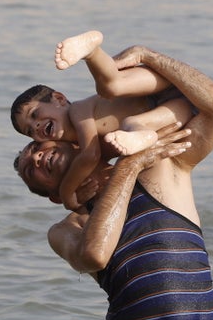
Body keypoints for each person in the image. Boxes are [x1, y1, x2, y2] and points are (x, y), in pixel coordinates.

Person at [14, 45, 213, 320]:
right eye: (31, 169)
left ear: (75, 144)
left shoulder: (162, 163)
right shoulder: (66, 228)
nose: (38, 158)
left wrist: (148, 56)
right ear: (57, 196)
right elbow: (95, 254)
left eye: (39, 150)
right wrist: (128, 166)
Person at [11, 30, 194, 210]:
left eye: (35, 114)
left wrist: (68, 194)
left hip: (155, 86)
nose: (35, 126)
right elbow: (98, 168)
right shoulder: (82, 143)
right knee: (132, 125)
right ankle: (145, 136)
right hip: (177, 110)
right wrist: (79, 197)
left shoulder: (78, 111)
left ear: (59, 99)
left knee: (110, 86)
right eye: (29, 131)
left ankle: (92, 52)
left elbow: (90, 156)